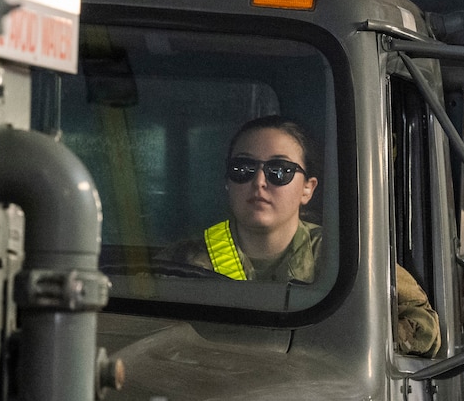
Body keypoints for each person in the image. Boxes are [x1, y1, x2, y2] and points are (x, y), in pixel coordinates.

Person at [164, 115, 442, 357]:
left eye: (280, 171)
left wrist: (354, 337)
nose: (259, 182)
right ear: (227, 182)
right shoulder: (181, 261)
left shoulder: (348, 259)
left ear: (308, 189)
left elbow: (425, 325)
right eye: (243, 169)